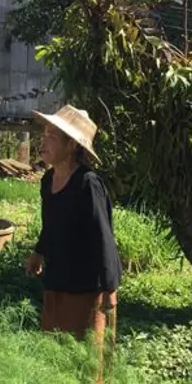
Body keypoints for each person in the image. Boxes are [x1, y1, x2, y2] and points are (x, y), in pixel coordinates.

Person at [25, 105, 122, 345]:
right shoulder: (48, 180)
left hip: (85, 289)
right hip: (56, 280)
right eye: (44, 133)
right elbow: (51, 224)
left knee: (84, 363)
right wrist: (38, 252)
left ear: (72, 146)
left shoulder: (87, 184)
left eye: (53, 137)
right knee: (55, 357)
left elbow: (103, 237)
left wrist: (110, 289)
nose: (44, 141)